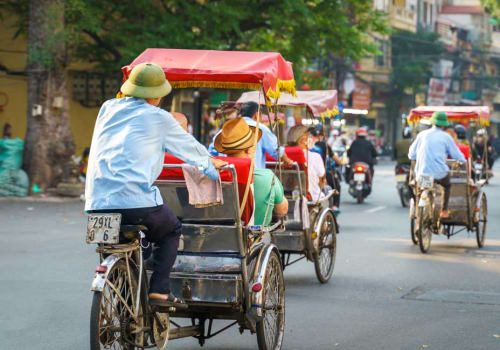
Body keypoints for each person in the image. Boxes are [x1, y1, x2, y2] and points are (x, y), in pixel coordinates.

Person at [85, 62, 226, 306]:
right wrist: (210, 165)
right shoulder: (159, 117)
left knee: (116, 248)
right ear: (158, 94)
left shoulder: (107, 108)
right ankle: (160, 290)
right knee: (171, 230)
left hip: (96, 202)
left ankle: (123, 300)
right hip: (135, 201)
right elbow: (190, 149)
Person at [214, 117, 288, 226]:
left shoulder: (213, 176)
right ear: (249, 150)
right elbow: (282, 210)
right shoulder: (267, 177)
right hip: (252, 238)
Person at [408, 112, 466, 219]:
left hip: (422, 173)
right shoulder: (446, 137)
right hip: (439, 174)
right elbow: (457, 155)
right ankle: (444, 211)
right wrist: (463, 161)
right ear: (443, 125)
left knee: (420, 190)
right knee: (446, 186)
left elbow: (411, 154)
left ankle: (418, 211)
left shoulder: (422, 134)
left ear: (432, 123)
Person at [209, 101, 292, 168]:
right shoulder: (261, 128)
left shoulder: (224, 130)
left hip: (225, 177)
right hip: (253, 177)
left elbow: (211, 152)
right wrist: (287, 160)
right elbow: (276, 150)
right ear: (256, 115)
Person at [288, 125, 326, 202]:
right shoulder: (315, 156)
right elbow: (322, 181)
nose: (311, 139)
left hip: (286, 196)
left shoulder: (282, 155)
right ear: (303, 139)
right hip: (311, 198)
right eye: (309, 136)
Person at [310, 125, 343, 211]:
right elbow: (335, 159)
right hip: (319, 174)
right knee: (336, 185)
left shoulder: (307, 145)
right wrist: (341, 162)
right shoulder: (324, 145)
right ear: (321, 136)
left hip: (306, 172)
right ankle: (335, 206)